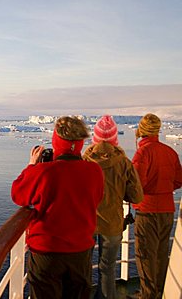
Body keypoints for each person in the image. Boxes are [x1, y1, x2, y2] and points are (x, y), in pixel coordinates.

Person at [11, 116, 104, 299]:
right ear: (80, 143)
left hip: (47, 252)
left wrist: (31, 165)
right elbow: (96, 198)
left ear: (56, 140)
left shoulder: (43, 172)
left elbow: (18, 194)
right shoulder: (94, 171)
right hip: (80, 251)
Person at [83, 115, 143, 299]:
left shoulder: (84, 161)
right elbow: (136, 196)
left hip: (87, 223)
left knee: (83, 268)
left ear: (95, 137)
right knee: (107, 269)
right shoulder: (124, 163)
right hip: (113, 224)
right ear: (114, 139)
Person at [131, 113, 182, 299]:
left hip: (147, 210)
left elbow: (137, 184)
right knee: (160, 254)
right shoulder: (170, 152)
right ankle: (159, 291)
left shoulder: (143, 152)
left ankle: (147, 295)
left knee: (145, 255)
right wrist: (163, 187)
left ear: (141, 130)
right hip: (167, 210)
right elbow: (178, 180)